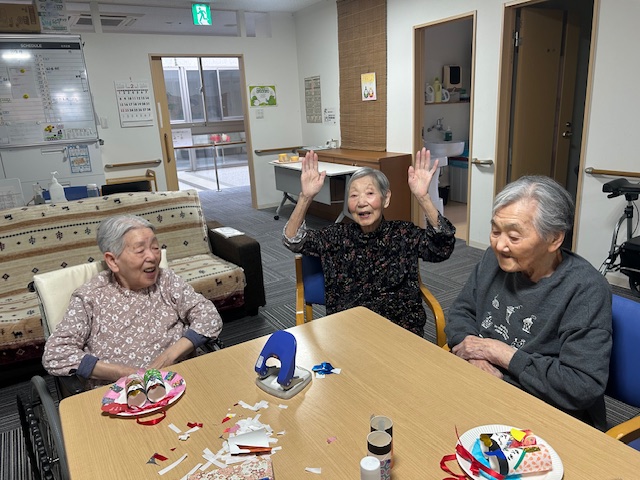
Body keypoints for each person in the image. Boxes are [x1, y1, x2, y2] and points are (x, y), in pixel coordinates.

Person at [445, 175, 612, 430]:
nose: (499, 245)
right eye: (495, 231)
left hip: (545, 409)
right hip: (482, 383)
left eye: (514, 237)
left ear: (554, 239)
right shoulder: (493, 260)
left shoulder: (585, 289)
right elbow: (461, 312)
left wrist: (499, 353)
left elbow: (581, 385)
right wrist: (477, 356)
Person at [282, 148, 456, 336]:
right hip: (349, 331)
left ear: (386, 199)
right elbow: (293, 240)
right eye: (354, 195)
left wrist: (423, 197)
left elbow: (441, 248)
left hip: (398, 331)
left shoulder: (403, 233)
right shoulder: (336, 236)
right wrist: (306, 197)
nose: (361, 202)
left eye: (369, 193)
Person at [42, 215, 223, 388]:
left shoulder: (166, 281)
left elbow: (209, 317)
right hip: (120, 394)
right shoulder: (90, 297)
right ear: (113, 261)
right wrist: (130, 374)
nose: (152, 257)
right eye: (140, 250)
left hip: (181, 379)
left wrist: (168, 357)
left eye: (155, 247)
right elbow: (56, 354)